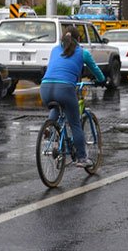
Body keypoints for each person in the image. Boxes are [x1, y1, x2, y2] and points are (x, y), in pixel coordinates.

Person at [40, 26, 106, 168]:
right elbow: (96, 71)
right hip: (64, 88)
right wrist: (102, 80)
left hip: (45, 87)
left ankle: (50, 127)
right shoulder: (82, 52)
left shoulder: (54, 50)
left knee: (56, 105)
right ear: (79, 39)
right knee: (75, 123)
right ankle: (82, 158)